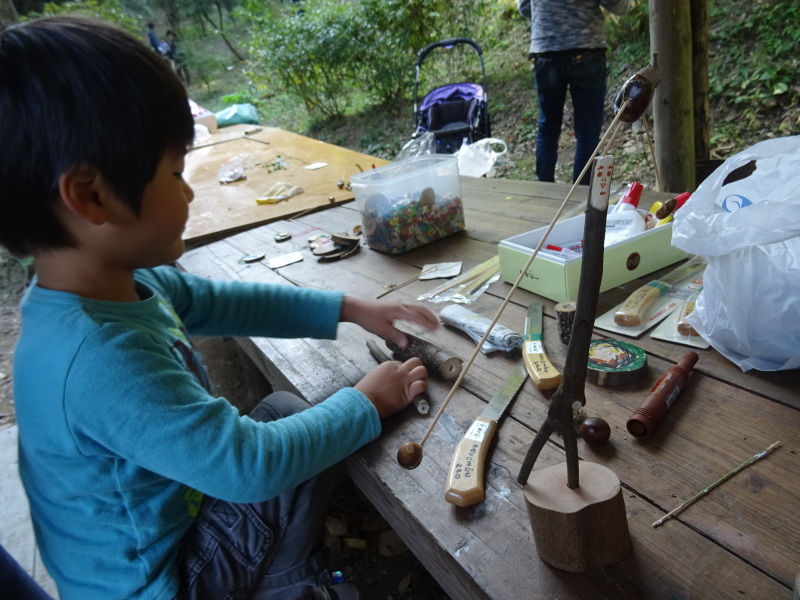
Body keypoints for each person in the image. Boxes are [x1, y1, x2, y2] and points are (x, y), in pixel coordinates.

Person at [0, 16, 439, 600]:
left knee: (286, 414)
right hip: (161, 584)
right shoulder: (98, 358)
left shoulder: (110, 285)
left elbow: (223, 300)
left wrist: (352, 308)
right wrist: (364, 402)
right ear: (90, 195)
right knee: (291, 436)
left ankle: (281, 579)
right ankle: (290, 586)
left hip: (171, 534)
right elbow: (248, 467)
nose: (188, 194)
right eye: (176, 174)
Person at [518, 0, 630, 185]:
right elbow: (618, 6)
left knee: (547, 129)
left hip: (545, 52)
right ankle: (580, 200)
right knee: (587, 132)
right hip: (586, 50)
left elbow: (524, 7)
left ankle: (544, 195)